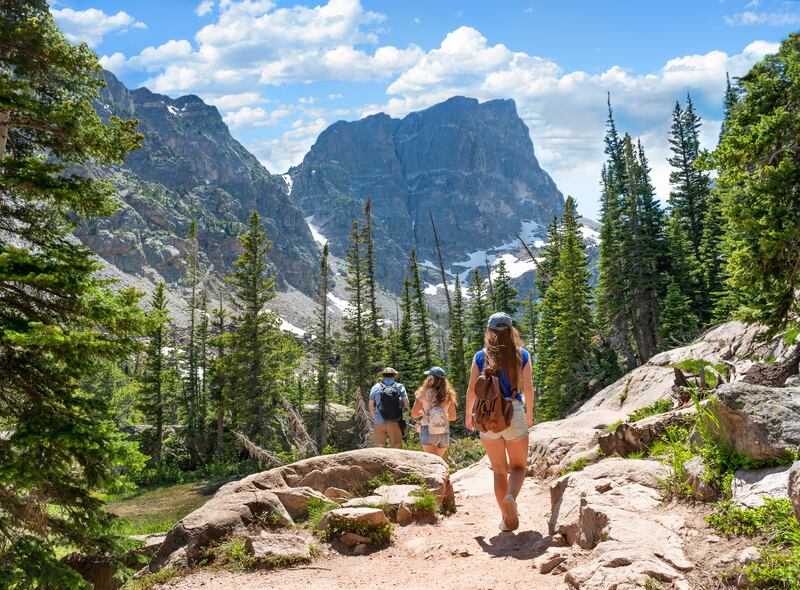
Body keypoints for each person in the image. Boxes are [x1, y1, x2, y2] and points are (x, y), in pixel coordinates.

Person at [465, 312, 534, 532]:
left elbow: (471, 390)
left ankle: (505, 519)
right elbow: (529, 388)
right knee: (519, 467)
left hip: (487, 415)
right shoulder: (521, 355)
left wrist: (469, 416)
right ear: (511, 331)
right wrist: (529, 414)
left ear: (490, 332)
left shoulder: (480, 356)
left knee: (498, 470)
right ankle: (511, 497)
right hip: (513, 410)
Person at [411, 366, 458, 457]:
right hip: (444, 431)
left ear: (430, 378)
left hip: (428, 430)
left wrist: (424, 414)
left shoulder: (423, 393)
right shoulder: (448, 394)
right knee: (439, 461)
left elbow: (414, 414)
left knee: (432, 464)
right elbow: (453, 417)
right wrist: (440, 417)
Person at [369, 367, 410, 449]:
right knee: (396, 446)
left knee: (380, 447)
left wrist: (376, 418)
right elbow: (407, 404)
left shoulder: (375, 387)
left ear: (383, 376)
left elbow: (371, 406)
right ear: (394, 376)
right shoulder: (399, 386)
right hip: (394, 421)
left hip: (379, 421)